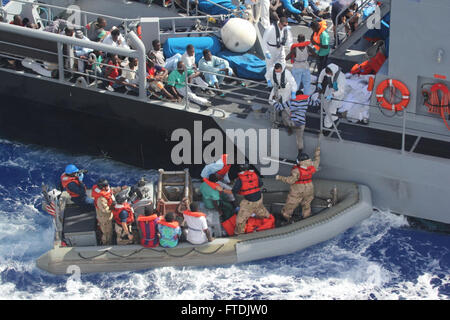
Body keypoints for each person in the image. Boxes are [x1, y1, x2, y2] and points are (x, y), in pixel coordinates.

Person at [276, 146, 320, 222]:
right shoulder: (312, 166)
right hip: (309, 187)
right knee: (307, 204)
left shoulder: (296, 171)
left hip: (298, 188)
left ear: (300, 162)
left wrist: (280, 177)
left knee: (291, 204)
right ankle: (306, 217)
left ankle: (286, 218)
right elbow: (317, 161)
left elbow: (291, 181)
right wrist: (317, 153)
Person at [232, 164, 270, 235]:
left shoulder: (240, 179)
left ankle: (239, 234)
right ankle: (268, 222)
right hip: (259, 199)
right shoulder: (254, 174)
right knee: (262, 212)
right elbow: (260, 184)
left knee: (240, 221)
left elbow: (235, 190)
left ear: (240, 169)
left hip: (249, 202)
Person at [91, 179, 126, 245]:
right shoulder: (101, 199)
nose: (108, 187)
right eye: (106, 186)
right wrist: (114, 206)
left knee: (110, 229)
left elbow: (111, 191)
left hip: (110, 214)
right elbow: (105, 210)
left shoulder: (106, 189)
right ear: (102, 187)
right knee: (107, 232)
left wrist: (121, 188)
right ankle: (106, 243)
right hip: (105, 218)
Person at [262, 16, 293, 85]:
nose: (285, 27)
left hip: (280, 48)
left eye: (286, 25)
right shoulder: (270, 29)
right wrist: (266, 52)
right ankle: (270, 81)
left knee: (283, 63)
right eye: (284, 25)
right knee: (270, 66)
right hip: (271, 49)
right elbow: (264, 41)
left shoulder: (285, 29)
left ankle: (282, 78)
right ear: (280, 23)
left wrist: (292, 48)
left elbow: (289, 41)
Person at [317, 63, 346, 128]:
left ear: (333, 72)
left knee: (330, 111)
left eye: (329, 74)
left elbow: (341, 91)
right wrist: (319, 82)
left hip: (337, 94)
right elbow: (322, 73)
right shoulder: (329, 70)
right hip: (330, 88)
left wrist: (332, 95)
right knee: (324, 103)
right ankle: (334, 117)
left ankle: (327, 127)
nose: (328, 75)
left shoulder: (341, 78)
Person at [269, 63, 297, 128]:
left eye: (278, 71)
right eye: (276, 71)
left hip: (286, 89)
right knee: (270, 100)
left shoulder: (287, 73)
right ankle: (276, 115)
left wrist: (293, 93)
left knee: (286, 105)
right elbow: (268, 76)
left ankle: (291, 120)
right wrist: (269, 82)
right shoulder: (272, 71)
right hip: (276, 88)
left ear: (281, 69)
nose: (277, 72)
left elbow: (293, 83)